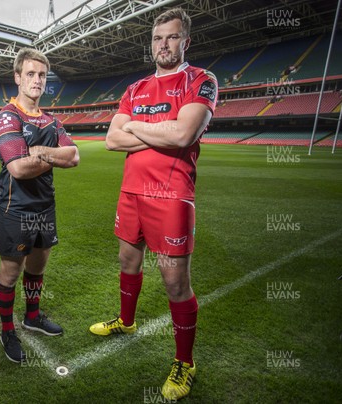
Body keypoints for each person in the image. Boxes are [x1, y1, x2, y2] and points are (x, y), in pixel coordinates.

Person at [89, 7, 217, 400]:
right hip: (131, 193)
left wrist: (137, 127)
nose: (164, 44)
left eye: (172, 37)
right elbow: (112, 140)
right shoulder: (135, 88)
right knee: (127, 262)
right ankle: (126, 322)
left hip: (172, 195)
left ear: (186, 41)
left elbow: (182, 135)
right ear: (152, 44)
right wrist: (161, 129)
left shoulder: (202, 80)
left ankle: (185, 363)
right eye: (158, 38)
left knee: (175, 282)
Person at [0, 48, 79, 363]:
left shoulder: (52, 122)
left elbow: (75, 157)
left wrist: (39, 151)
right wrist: (54, 156)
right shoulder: (7, 117)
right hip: (16, 210)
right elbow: (18, 168)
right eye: (30, 73)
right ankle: (6, 330)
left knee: (38, 268)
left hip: (45, 208)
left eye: (42, 75)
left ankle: (32, 316)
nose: (37, 80)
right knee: (11, 273)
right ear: (17, 77)